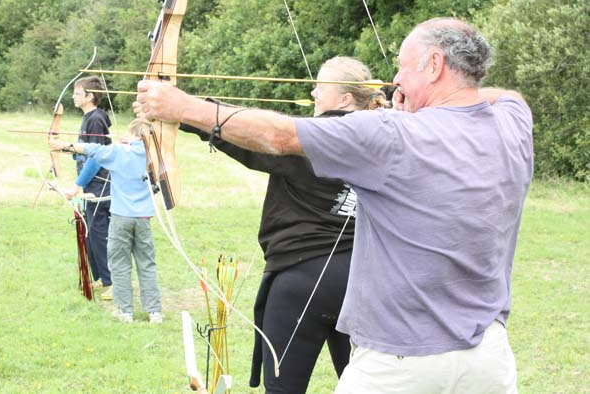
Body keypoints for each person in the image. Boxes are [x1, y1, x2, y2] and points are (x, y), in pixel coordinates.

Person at [134, 17, 533, 394]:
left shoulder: (391, 133)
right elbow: (507, 95)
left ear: (434, 64)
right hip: (488, 358)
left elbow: (278, 137)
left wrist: (182, 107)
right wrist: (447, 98)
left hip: (400, 362)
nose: (394, 82)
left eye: (403, 67)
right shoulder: (513, 123)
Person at [180, 56, 389, 393]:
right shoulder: (383, 136)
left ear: (345, 99)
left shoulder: (313, 138)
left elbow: (248, 139)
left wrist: (183, 113)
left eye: (321, 87)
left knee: (283, 389)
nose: (313, 92)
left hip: (301, 279)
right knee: (363, 385)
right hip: (360, 279)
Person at [50, 119, 163, 324]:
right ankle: (154, 312)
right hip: (143, 219)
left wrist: (62, 146)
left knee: (119, 264)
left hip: (121, 218)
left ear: (135, 135)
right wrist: (132, 144)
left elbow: (92, 149)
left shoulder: (118, 152)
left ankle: (125, 312)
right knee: (146, 264)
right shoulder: (152, 155)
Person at [57, 76, 113, 297]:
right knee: (90, 231)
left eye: (77, 93)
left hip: (101, 184)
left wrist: (76, 185)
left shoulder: (96, 118)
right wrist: (65, 149)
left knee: (98, 232)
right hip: (92, 184)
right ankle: (100, 277)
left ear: (90, 96)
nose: (73, 96)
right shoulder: (89, 118)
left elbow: (97, 157)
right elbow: (86, 150)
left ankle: (110, 279)